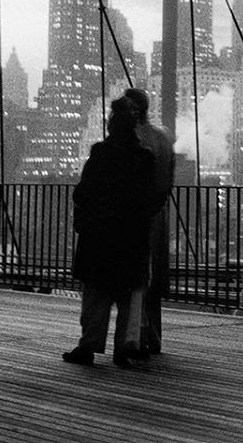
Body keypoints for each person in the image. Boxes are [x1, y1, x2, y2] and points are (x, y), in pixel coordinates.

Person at [63, 96, 155, 368]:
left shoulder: (101, 153)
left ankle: (88, 346)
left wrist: (85, 219)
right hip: (132, 236)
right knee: (127, 295)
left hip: (100, 235)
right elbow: (148, 199)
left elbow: (85, 191)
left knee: (96, 294)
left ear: (112, 124)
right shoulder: (145, 158)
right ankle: (123, 348)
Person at [124, 87, 175, 356]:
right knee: (153, 279)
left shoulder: (133, 138)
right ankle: (152, 338)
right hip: (159, 213)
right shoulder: (164, 138)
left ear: (134, 110)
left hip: (135, 216)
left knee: (134, 276)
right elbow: (169, 178)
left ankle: (132, 338)